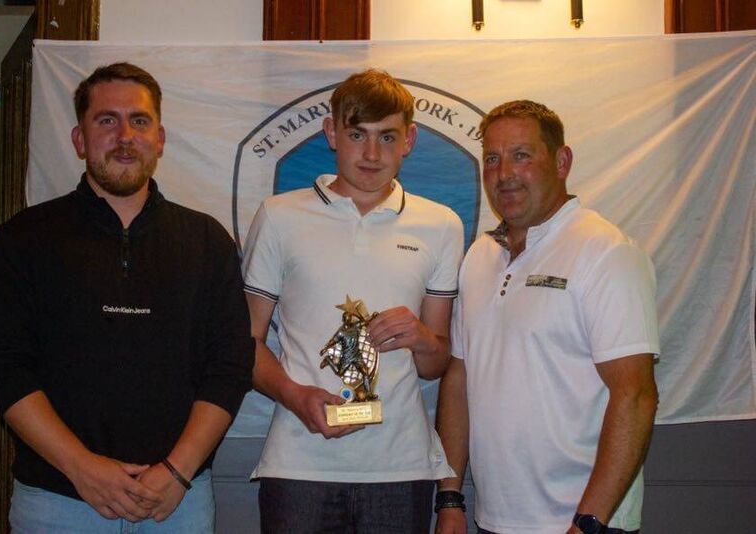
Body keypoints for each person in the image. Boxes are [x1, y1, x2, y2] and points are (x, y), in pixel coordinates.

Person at [0, 62, 254, 533]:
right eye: (106, 120)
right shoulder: (24, 238)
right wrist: (81, 467)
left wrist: (177, 471)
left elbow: (229, 366)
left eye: (139, 121)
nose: (125, 136)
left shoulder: (207, 241)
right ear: (79, 139)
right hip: (57, 503)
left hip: (177, 503)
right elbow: (0, 363)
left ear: (159, 139)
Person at [242, 68, 464, 533]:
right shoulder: (279, 216)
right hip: (299, 464)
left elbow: (436, 363)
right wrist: (296, 396)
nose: (371, 153)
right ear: (331, 133)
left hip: (400, 467)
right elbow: (247, 343)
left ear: (409, 140)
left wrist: (421, 338)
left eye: (387, 137)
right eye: (357, 134)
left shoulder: (441, 225)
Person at [435, 100, 659, 534]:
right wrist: (450, 497)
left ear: (561, 161)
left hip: (584, 522)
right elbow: (459, 378)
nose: (504, 173)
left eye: (521, 155)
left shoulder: (605, 252)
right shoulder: (480, 256)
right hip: (495, 519)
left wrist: (589, 523)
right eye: (492, 159)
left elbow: (635, 396)